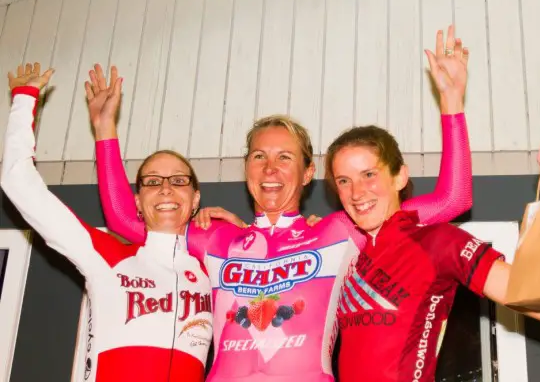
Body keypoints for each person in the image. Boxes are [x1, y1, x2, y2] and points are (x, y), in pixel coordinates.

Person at [93, 26, 472, 382]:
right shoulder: (215, 238)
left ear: (308, 173)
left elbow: (452, 199)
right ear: (246, 169)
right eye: (259, 156)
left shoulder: (340, 232)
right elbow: (126, 218)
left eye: (285, 158)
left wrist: (452, 103)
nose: (270, 168)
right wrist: (105, 128)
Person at [324, 116, 540, 380]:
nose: (356, 192)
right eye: (343, 181)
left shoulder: (437, 241)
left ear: (400, 177)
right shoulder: (348, 259)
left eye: (369, 175)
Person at [1, 63, 213, 382]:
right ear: (138, 202)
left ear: (196, 198)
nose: (166, 187)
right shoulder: (106, 256)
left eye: (179, 180)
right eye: (153, 181)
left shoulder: (216, 269)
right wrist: (24, 99)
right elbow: (18, 182)